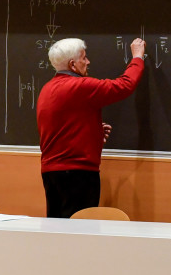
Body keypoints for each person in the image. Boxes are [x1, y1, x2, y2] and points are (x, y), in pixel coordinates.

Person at [36, 36, 145, 219]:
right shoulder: (79, 86)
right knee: (79, 232)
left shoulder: (47, 89)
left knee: (57, 230)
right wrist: (137, 57)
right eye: (84, 58)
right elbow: (124, 86)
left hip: (52, 172)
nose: (88, 62)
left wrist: (92, 134)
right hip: (77, 173)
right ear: (73, 64)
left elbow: (60, 128)